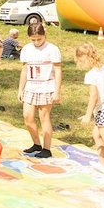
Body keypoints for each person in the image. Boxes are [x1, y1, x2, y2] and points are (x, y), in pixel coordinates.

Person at [74, 43, 104, 183]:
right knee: (96, 134)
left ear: (83, 58)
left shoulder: (91, 75)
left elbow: (94, 96)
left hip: (103, 109)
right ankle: (102, 164)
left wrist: (88, 115)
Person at [17, 21, 63, 159]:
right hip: (31, 87)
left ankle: (46, 149)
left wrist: (57, 91)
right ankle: (36, 144)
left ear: (45, 35)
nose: (36, 42)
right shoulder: (26, 49)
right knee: (27, 116)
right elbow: (24, 70)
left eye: (39, 39)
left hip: (46, 86)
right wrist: (20, 89)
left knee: (44, 117)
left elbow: (58, 70)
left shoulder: (52, 49)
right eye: (33, 40)